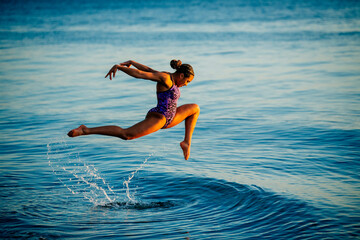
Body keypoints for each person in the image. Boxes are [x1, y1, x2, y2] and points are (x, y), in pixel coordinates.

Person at [67, 59, 200, 160]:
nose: (186, 85)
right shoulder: (166, 78)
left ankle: (186, 143)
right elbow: (140, 74)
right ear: (181, 75)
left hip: (172, 117)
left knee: (195, 109)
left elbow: (148, 69)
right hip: (160, 117)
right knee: (127, 135)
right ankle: (85, 130)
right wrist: (119, 68)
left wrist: (132, 62)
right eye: (187, 81)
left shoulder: (168, 77)